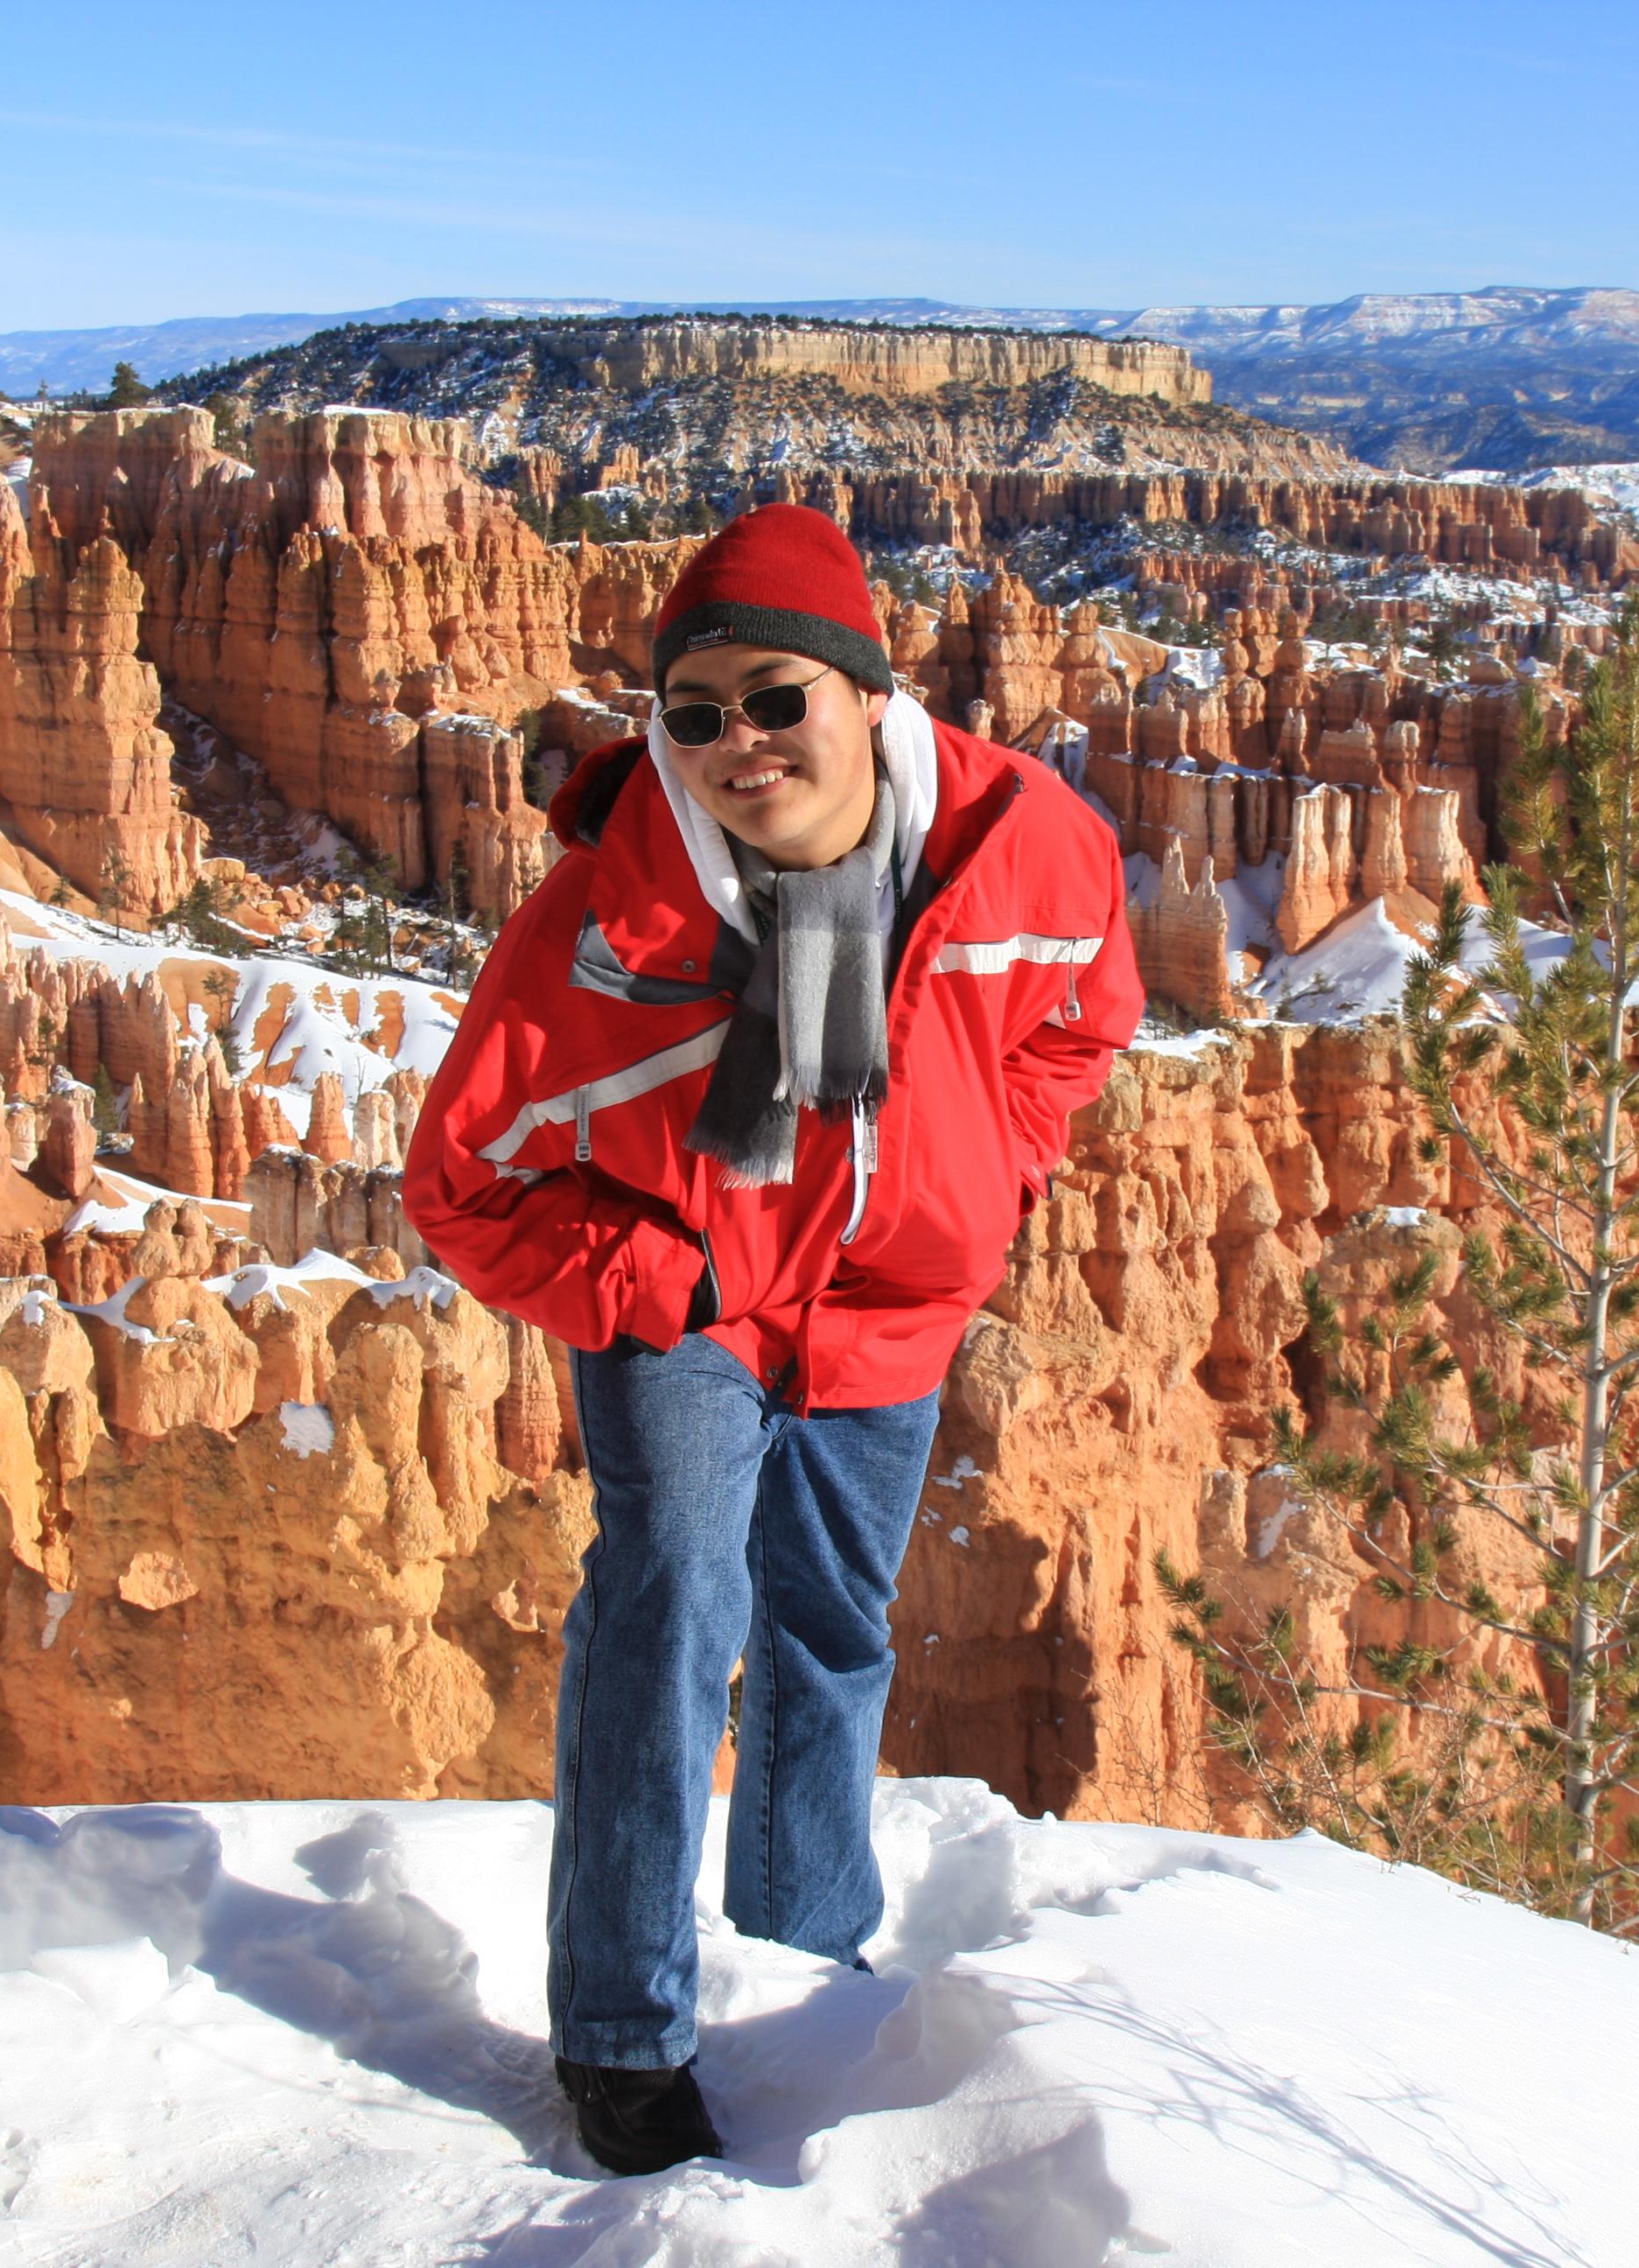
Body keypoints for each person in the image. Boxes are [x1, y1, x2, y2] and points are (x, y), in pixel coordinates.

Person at [406, 503, 1140, 2175]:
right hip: (695, 1310)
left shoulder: (1027, 848)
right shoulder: (609, 924)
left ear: (868, 693)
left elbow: (1083, 1020)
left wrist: (993, 1169)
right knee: (668, 1608)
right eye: (695, 712)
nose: (739, 742)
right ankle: (623, 2033)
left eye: (775, 698)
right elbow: (459, 1184)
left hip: (891, 1307)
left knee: (832, 1629)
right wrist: (649, 1281)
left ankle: (809, 1960)